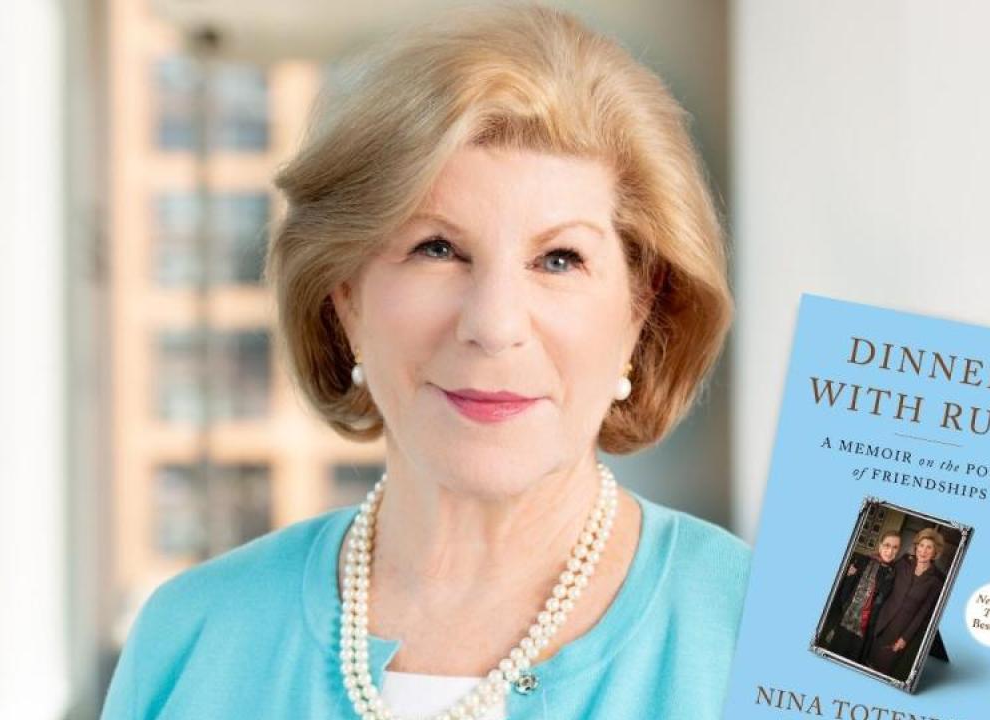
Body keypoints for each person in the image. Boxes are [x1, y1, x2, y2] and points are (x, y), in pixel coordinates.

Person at [100, 4, 749, 719]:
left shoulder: (772, 640)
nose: (495, 325)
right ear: (345, 295)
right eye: (436, 249)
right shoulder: (191, 638)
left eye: (559, 259)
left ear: (641, 310)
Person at [867, 528, 947, 680]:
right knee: (865, 662)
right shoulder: (904, 562)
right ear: (916, 546)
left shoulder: (936, 581)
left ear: (935, 552)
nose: (923, 551)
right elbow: (884, 566)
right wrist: (860, 567)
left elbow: (923, 614)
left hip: (899, 633)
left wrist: (905, 638)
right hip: (880, 622)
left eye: (929, 547)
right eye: (921, 545)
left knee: (882, 672)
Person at [819, 531, 900, 664]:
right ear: (880, 546)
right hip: (846, 619)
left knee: (853, 661)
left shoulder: (893, 573)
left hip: (866, 629)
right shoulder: (863, 561)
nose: (890, 551)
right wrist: (845, 609)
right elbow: (845, 588)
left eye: (895, 547)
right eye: (887, 545)